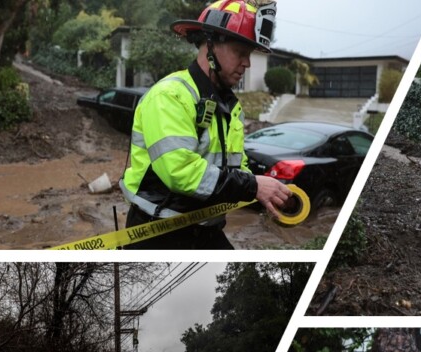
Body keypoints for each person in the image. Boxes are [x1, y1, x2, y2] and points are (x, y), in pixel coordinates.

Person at [119, 0, 292, 249]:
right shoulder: (170, 96)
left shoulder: (231, 108)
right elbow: (180, 172)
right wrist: (253, 186)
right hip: (157, 230)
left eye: (249, 55)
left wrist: (267, 194)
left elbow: (236, 169)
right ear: (210, 45)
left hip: (206, 226)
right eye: (240, 52)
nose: (247, 63)